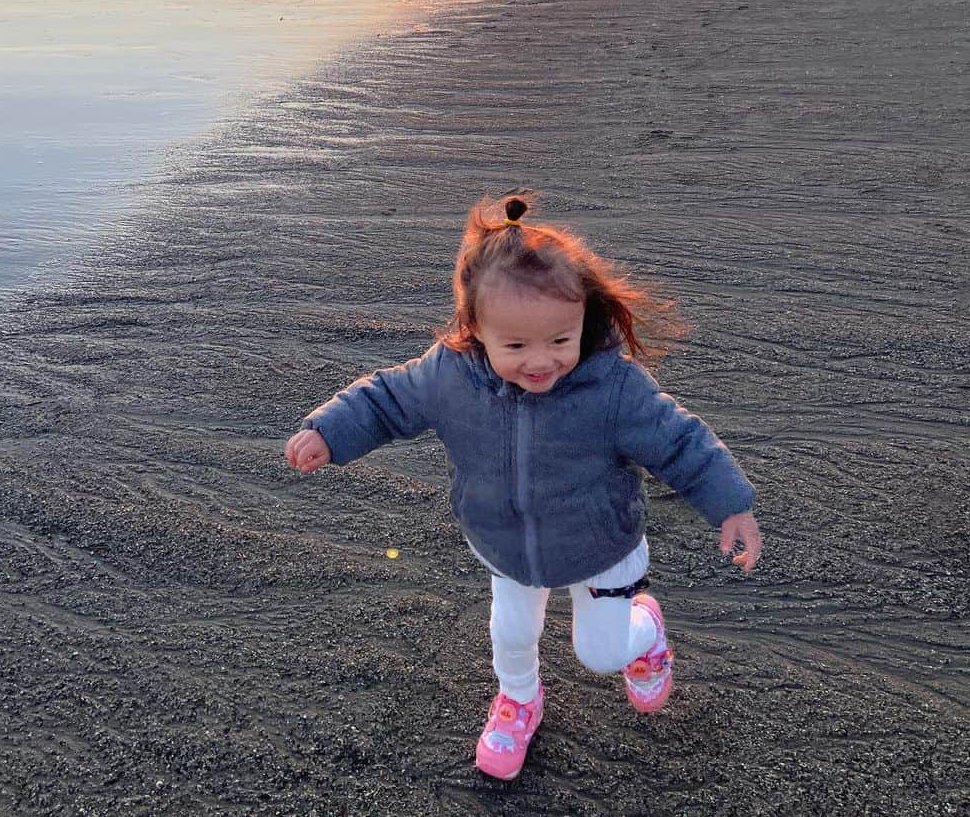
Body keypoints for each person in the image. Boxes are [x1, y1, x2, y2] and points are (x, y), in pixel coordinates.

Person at [285, 193, 761, 783]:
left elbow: (680, 441)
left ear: (583, 321)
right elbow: (385, 400)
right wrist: (330, 432)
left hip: (602, 545)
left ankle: (647, 631)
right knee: (510, 632)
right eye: (515, 346)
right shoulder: (448, 375)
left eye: (560, 339)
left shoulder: (611, 387)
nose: (541, 361)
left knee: (601, 654)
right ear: (475, 330)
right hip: (504, 544)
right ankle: (518, 702)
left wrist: (731, 505)